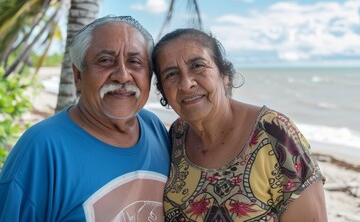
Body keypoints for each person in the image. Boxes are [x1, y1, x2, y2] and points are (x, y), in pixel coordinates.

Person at [0, 15, 170, 221]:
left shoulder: (154, 127)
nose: (123, 75)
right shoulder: (42, 148)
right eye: (106, 60)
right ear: (78, 76)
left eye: (135, 62)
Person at [152, 28, 328, 221]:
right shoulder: (176, 135)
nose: (186, 84)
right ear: (164, 93)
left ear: (224, 76)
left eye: (197, 66)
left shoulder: (274, 133)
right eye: (171, 74)